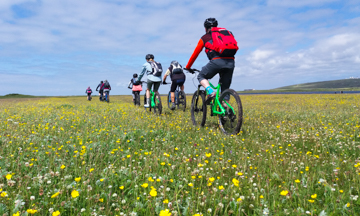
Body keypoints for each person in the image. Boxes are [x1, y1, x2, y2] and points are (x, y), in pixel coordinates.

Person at [185, 17, 237, 103]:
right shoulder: (227, 34)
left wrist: (188, 67)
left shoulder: (204, 37)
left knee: (201, 76)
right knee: (225, 89)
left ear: (205, 28)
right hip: (231, 62)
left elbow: (195, 54)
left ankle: (210, 92)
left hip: (217, 61)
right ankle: (226, 111)